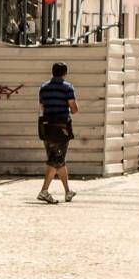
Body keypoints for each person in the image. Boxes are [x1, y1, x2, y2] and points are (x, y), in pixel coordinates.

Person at [37, 62, 79, 204]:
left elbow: (41, 106)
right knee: (55, 160)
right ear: (65, 73)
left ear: (52, 72)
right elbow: (73, 108)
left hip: (47, 127)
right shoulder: (67, 88)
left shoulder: (44, 87)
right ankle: (44, 191)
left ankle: (68, 192)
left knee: (58, 160)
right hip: (61, 128)